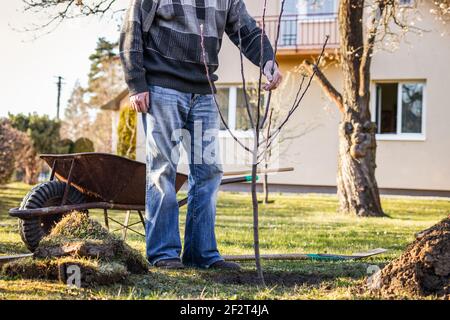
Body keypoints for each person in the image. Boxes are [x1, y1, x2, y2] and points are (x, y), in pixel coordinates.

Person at [120, 0, 283, 270]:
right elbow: (131, 31)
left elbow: (248, 31)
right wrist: (136, 83)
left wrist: (268, 61)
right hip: (162, 90)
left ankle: (201, 254)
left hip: (204, 93)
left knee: (208, 172)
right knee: (162, 170)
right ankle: (163, 253)